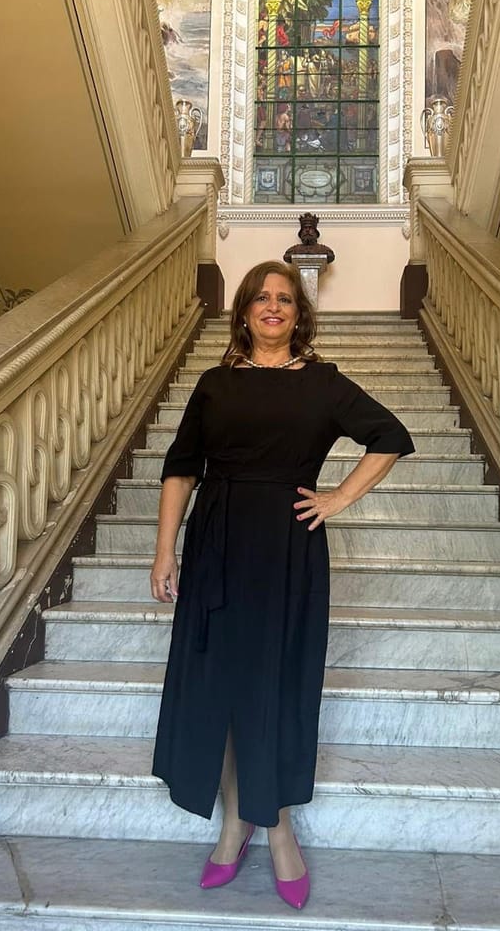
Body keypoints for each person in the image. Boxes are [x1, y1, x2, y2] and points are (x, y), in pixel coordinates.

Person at [150, 261, 414, 909]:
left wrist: (339, 497)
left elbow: (390, 435)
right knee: (222, 687)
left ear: (299, 314)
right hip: (216, 544)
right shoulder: (214, 384)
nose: (273, 307)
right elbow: (181, 470)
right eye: (262, 298)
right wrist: (164, 554)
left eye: (285, 299)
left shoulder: (322, 383)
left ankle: (278, 829)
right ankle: (235, 825)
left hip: (287, 550)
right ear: (244, 311)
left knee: (276, 686)